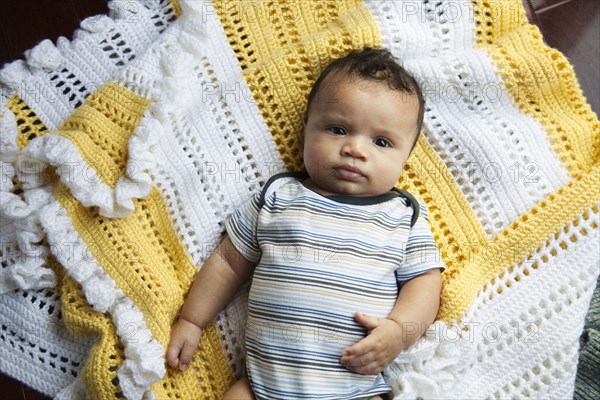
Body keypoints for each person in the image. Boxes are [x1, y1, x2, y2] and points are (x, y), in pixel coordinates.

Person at [166, 47, 444, 400]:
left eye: (381, 141)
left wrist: (399, 331)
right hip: (261, 387)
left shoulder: (402, 217)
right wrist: (192, 320)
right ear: (307, 129)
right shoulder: (278, 197)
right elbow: (227, 262)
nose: (356, 149)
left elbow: (425, 283)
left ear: (406, 156)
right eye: (338, 129)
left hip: (352, 388)